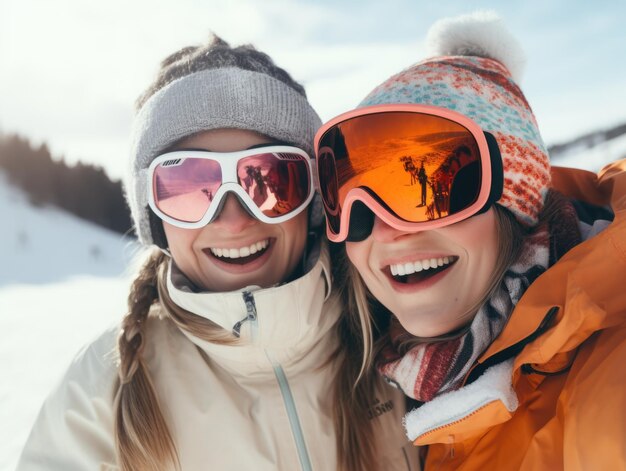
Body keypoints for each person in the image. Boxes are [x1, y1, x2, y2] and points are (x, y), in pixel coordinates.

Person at [17, 36, 416, 471]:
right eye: (190, 188)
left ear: (313, 199)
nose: (231, 219)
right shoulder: (98, 395)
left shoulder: (397, 338)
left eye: (268, 179)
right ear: (157, 220)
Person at [316, 12, 626, 470]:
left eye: (428, 190)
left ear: (516, 202)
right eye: (355, 200)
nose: (387, 229)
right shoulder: (391, 393)